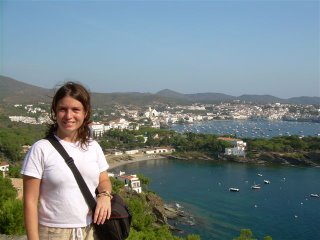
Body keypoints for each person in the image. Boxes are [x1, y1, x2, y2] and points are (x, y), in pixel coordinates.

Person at [22, 82, 112, 240]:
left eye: (76, 109)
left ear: (85, 113)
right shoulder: (40, 149)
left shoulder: (93, 146)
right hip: (53, 233)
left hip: (91, 230)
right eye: (63, 109)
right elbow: (30, 201)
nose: (69, 116)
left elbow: (103, 179)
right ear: (55, 112)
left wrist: (105, 195)